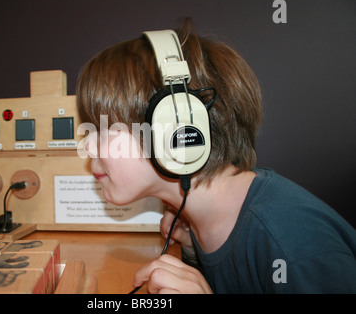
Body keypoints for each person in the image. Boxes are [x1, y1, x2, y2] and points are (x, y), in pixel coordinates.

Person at [75, 19, 356, 293]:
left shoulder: (295, 244)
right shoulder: (199, 222)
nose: (88, 146)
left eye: (101, 129)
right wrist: (193, 252)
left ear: (178, 128)